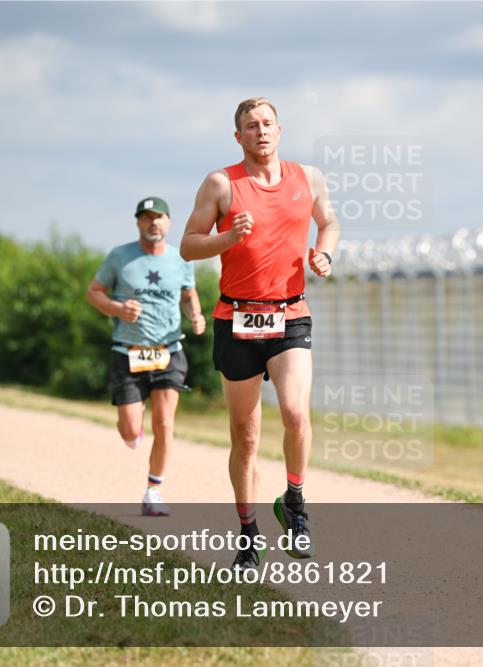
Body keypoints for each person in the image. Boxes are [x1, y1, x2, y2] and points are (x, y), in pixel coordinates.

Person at [180, 97, 340, 569]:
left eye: (268, 124)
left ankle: (295, 501)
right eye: (251, 126)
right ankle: (249, 534)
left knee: (294, 412)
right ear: (239, 137)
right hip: (236, 319)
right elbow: (188, 245)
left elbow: (328, 221)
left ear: (280, 130)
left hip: (290, 314)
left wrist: (325, 253)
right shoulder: (221, 184)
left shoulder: (307, 177)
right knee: (245, 436)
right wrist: (227, 238)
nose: (261, 132)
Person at [87, 196, 206, 517]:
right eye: (147, 218)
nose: (154, 223)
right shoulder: (120, 257)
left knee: (165, 424)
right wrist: (117, 308)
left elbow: (188, 294)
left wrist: (195, 314)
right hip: (128, 353)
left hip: (169, 351)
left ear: (168, 222)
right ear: (138, 222)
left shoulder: (181, 260)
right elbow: (94, 292)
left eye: (159, 217)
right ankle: (133, 429)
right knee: (129, 431)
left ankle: (153, 491)